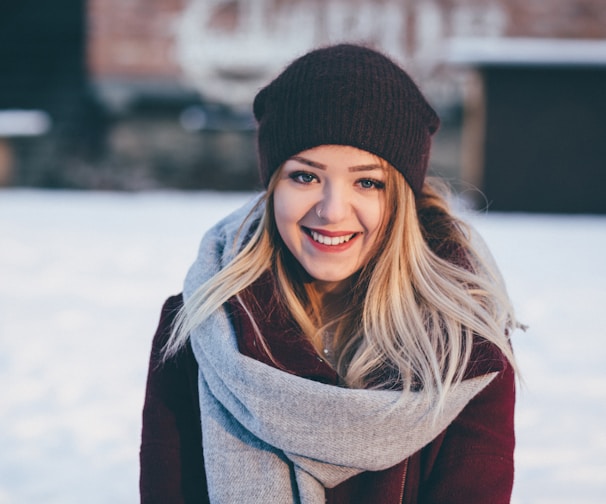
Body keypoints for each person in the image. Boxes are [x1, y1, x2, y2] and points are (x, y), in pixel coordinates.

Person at [140, 44, 520, 504]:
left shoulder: (464, 347)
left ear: (400, 199)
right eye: (305, 177)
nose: (332, 211)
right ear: (272, 185)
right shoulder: (199, 328)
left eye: (368, 182)